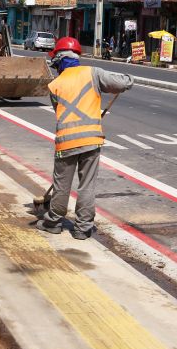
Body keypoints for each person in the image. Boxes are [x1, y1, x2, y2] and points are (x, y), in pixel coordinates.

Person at [36, 36, 133, 240]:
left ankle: (53, 222)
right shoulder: (93, 73)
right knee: (87, 185)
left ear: (60, 60)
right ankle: (82, 228)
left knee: (62, 185)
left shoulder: (55, 85)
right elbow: (122, 82)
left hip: (66, 142)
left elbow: (60, 112)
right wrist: (127, 81)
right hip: (91, 139)